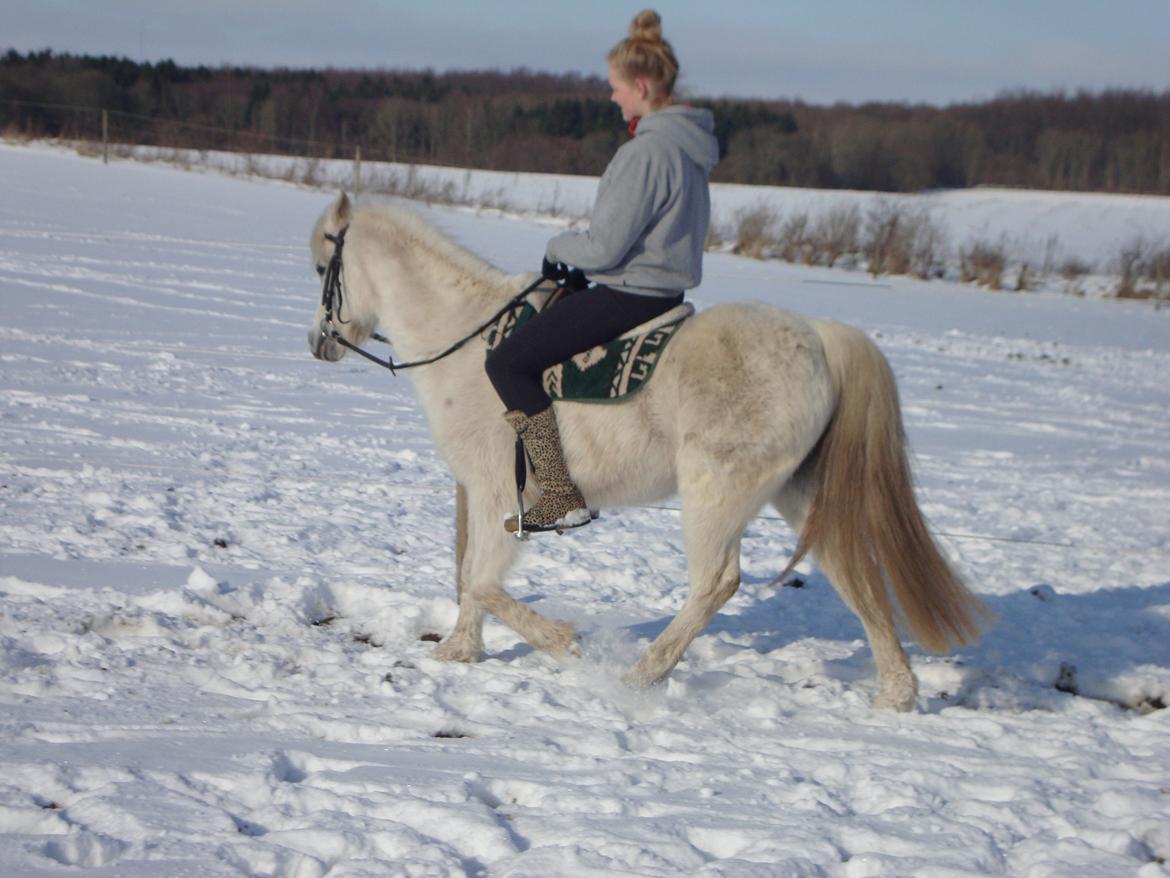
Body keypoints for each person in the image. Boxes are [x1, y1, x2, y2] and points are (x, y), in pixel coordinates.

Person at [485, 8, 719, 534]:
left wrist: (557, 246)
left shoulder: (647, 152)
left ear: (640, 86)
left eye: (616, 88)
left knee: (507, 363)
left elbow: (607, 245)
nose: (612, 98)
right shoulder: (689, 148)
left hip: (629, 294)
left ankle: (560, 494)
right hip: (664, 293)